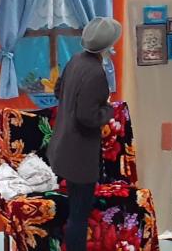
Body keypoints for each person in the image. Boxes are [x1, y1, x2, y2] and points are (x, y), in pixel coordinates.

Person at [47, 17, 122, 251]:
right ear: (109, 45)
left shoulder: (75, 60)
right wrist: (108, 109)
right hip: (79, 156)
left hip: (63, 148)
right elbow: (88, 117)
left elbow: (59, 91)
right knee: (79, 216)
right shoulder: (96, 72)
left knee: (75, 210)